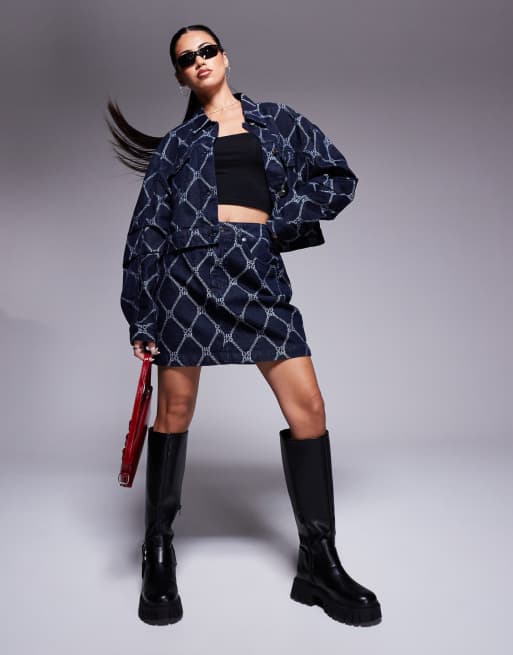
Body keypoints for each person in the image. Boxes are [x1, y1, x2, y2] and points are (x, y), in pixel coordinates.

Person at [106, 23, 382, 628]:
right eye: (187, 59)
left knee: (309, 409)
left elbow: (337, 179)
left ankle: (319, 561)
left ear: (225, 58)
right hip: (186, 281)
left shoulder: (279, 121)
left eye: (207, 50)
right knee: (175, 411)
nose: (200, 61)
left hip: (257, 277)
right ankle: (158, 551)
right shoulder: (176, 146)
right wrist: (142, 315)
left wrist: (273, 225)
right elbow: (146, 232)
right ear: (181, 76)